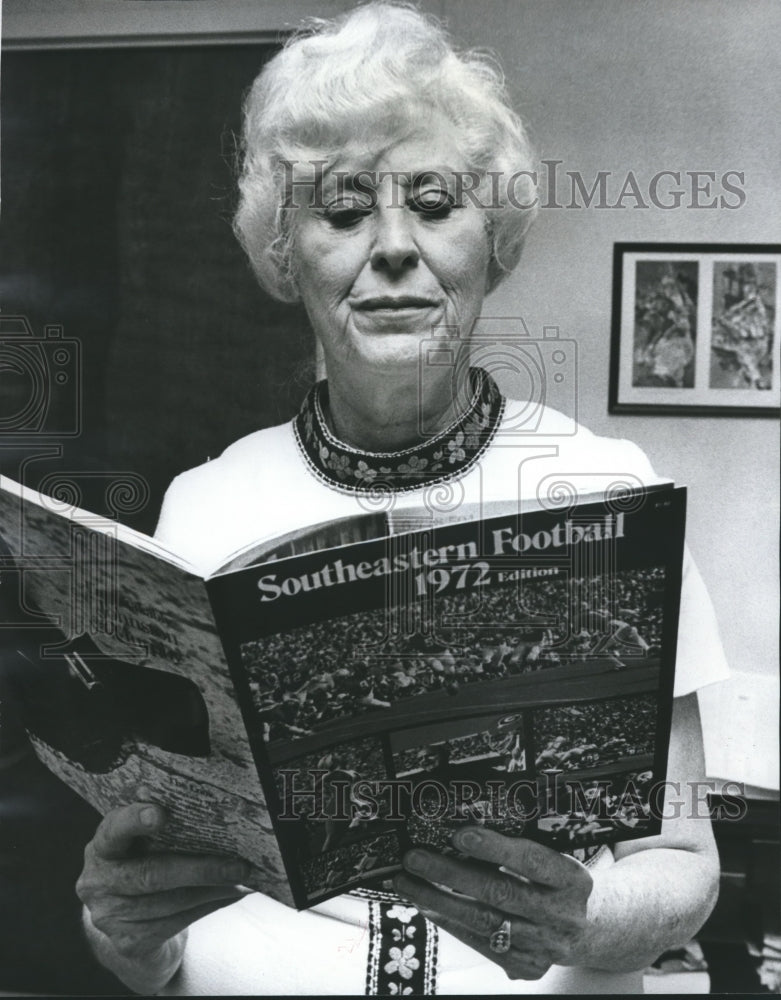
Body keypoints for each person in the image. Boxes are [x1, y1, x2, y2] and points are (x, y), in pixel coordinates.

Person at [75, 3, 730, 994]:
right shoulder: (202, 506)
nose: (391, 247)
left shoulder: (607, 489)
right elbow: (150, 909)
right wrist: (123, 930)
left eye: (432, 203)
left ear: (490, 240)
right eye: (341, 212)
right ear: (285, 253)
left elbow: (682, 865)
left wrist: (586, 920)